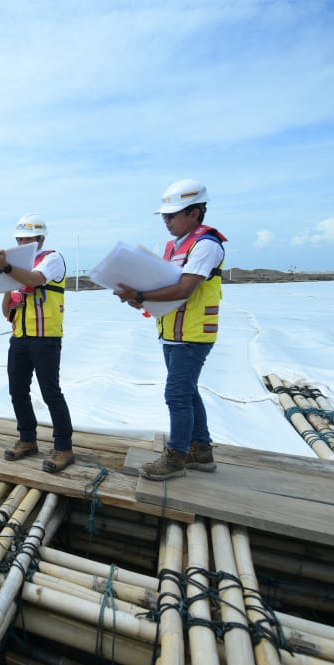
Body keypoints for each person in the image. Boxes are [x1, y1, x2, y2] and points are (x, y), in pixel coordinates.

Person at [114, 179, 227, 480]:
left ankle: (176, 457)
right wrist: (138, 298)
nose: (167, 221)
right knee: (188, 393)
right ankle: (201, 451)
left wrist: (140, 295)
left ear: (195, 212)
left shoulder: (206, 245)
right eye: (164, 215)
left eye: (172, 215)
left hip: (192, 334)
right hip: (173, 332)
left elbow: (185, 288)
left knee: (177, 395)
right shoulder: (174, 247)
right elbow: (161, 286)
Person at [0, 214, 75, 472]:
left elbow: (35, 279)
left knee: (51, 393)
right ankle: (27, 439)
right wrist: (5, 282)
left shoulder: (53, 259)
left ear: (41, 238)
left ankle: (64, 447)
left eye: (28, 239)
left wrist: (9, 269)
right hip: (20, 337)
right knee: (17, 390)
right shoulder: (15, 268)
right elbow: (6, 311)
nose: (22, 243)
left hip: (46, 337)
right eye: (19, 239)